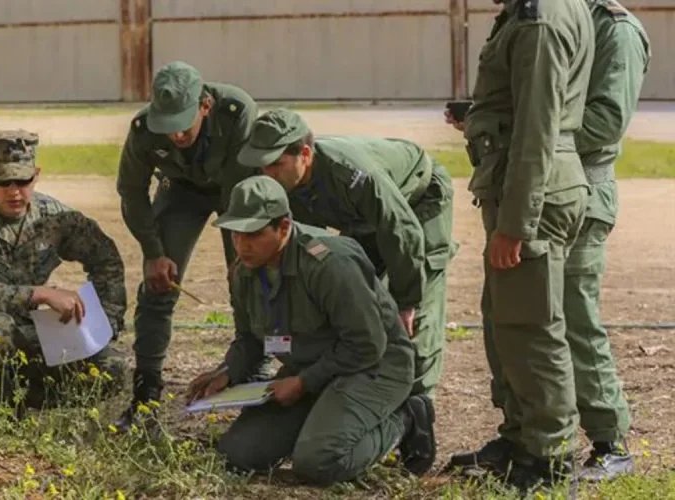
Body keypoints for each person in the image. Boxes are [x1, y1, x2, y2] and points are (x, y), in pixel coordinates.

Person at [444, 0, 651, 485]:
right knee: (511, 315)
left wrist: (528, 145)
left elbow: (601, 122)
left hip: (571, 183)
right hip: (537, 177)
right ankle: (521, 434)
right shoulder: (543, 14)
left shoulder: (612, 28)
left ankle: (608, 437)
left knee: (567, 317)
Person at [186, 175, 437, 485]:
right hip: (312, 369)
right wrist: (228, 371)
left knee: (320, 462)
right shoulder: (244, 272)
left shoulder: (329, 264)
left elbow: (368, 344)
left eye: (253, 234)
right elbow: (250, 338)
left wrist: (304, 382)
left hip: (375, 366)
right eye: (235, 234)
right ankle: (320, 422)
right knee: (239, 454)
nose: (242, 245)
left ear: (285, 227)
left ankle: (407, 416)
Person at [236, 108, 457, 400]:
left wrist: (407, 302)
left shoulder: (352, 174)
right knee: (358, 293)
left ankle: (418, 407)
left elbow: (401, 229)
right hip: (363, 219)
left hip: (417, 201)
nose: (268, 174)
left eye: (276, 164)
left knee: (416, 315)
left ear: (305, 153)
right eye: (263, 166)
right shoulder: (284, 183)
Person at [0, 129, 127, 413]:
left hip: (30, 329)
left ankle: (18, 399)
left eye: (22, 181)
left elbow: (105, 257)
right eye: (3, 181)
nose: (14, 191)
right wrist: (38, 294)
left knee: (112, 368)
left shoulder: (54, 217)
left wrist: (105, 321)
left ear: (36, 175)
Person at [113, 61, 264, 430]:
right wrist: (153, 252)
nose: (176, 135)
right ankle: (146, 390)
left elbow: (240, 192)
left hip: (235, 191)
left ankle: (250, 367)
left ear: (205, 106)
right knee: (159, 284)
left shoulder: (236, 111)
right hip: (181, 191)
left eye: (184, 125)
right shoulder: (143, 128)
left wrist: (240, 251)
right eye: (169, 128)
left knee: (246, 278)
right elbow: (131, 191)